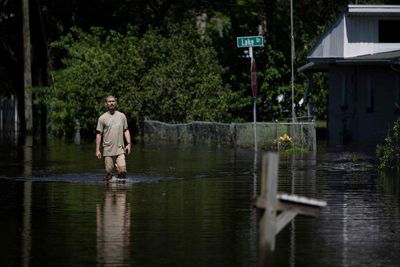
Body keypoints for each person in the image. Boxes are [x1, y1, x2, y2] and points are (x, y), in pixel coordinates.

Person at [96, 95, 132, 182]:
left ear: (115, 103)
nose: (111, 103)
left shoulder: (122, 116)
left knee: (122, 171)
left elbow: (126, 130)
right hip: (108, 150)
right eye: (109, 101)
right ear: (106, 104)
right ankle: (109, 190)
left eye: (113, 101)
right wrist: (97, 150)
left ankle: (120, 191)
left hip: (120, 149)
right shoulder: (102, 118)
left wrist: (129, 144)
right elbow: (99, 134)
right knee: (109, 174)